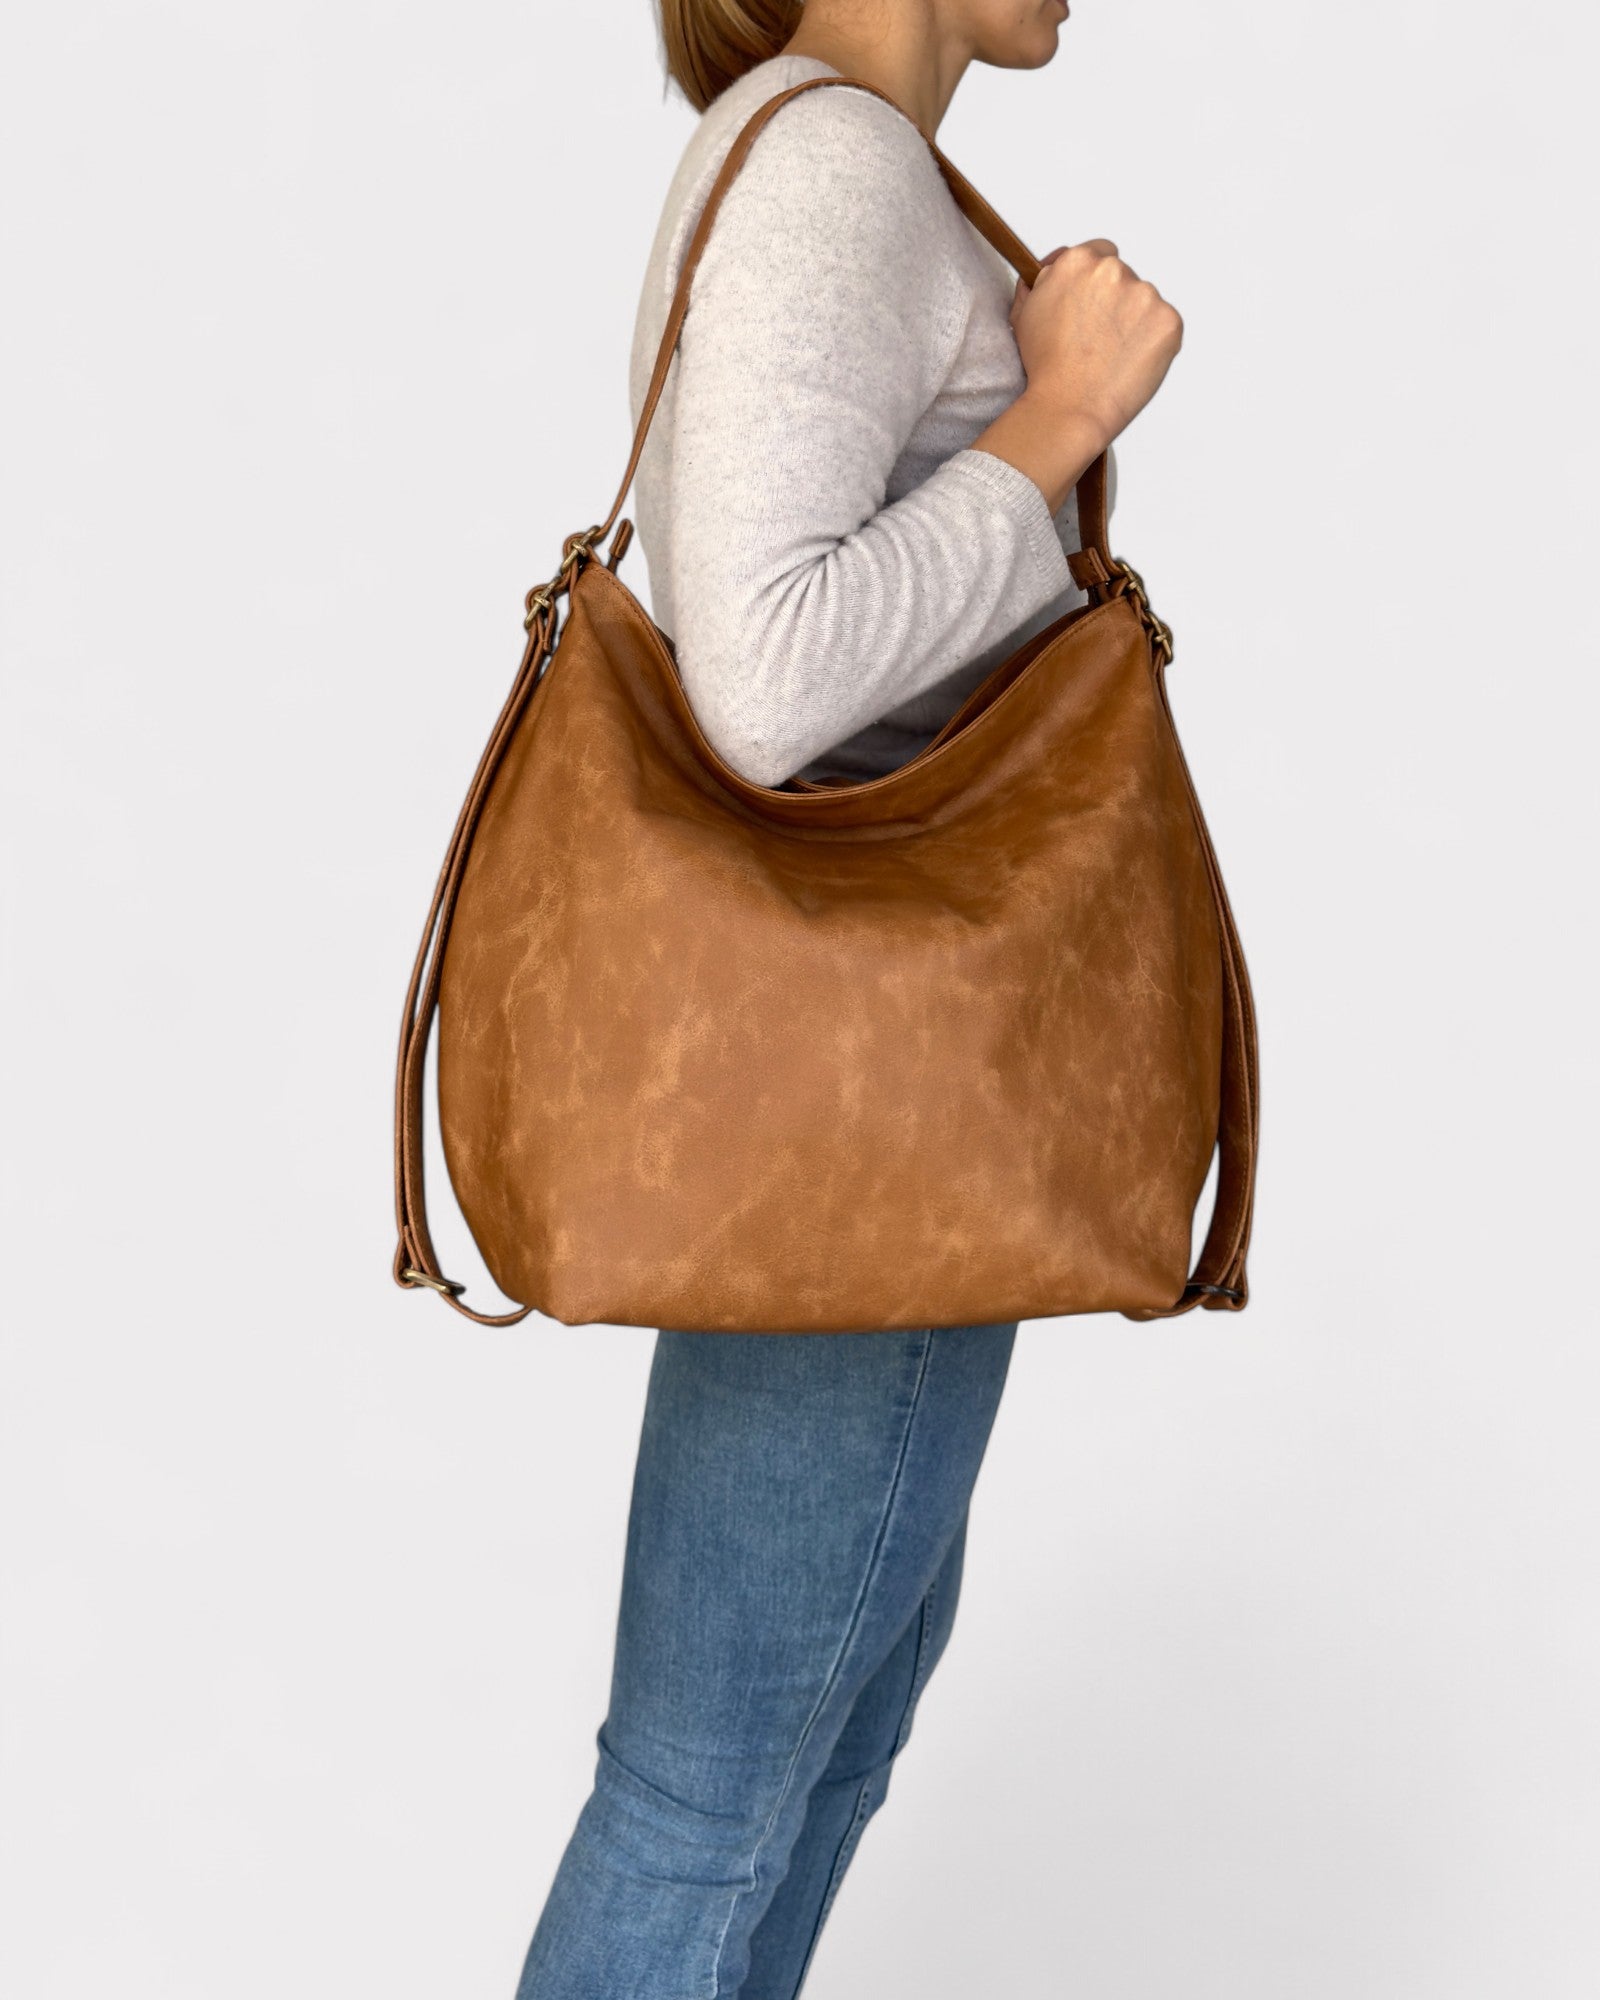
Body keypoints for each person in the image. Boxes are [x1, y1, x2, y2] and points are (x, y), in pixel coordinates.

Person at [514, 3, 1184, 1993]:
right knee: (711, 1798)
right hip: (854, 1109)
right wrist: (1051, 426)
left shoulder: (840, 165)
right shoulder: (831, 173)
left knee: (789, 1773)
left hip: (859, 1097)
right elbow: (766, 674)